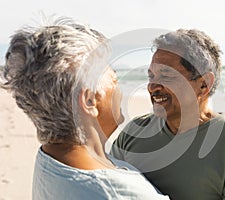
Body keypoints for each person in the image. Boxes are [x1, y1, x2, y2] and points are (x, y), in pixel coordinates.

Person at [0, 18, 169, 200]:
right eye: (113, 78)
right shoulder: (118, 193)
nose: (118, 85)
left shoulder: (51, 158)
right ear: (89, 101)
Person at [111, 29, 225, 199]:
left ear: (204, 84)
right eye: (151, 76)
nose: (153, 86)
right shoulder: (133, 133)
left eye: (166, 75)